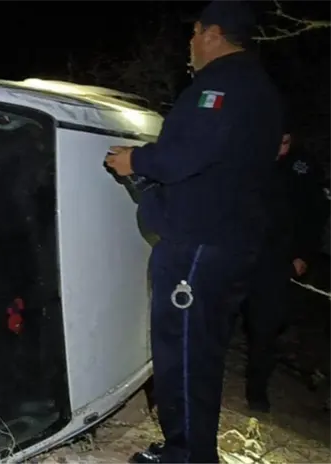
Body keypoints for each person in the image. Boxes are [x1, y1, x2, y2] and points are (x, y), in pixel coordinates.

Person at [103, 0, 283, 462]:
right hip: (228, 240)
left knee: (182, 351)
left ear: (212, 34)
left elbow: (189, 154)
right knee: (200, 353)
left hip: (200, 245)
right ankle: (191, 447)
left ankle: (185, 455)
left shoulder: (222, 85)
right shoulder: (259, 88)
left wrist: (135, 160)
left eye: (195, 32)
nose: (190, 43)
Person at [242, 127, 330, 413]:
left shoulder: (303, 167)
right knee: (218, 316)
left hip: (278, 259)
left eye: (286, 141)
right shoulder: (250, 156)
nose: (280, 147)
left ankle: (256, 392)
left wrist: (304, 254)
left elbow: (315, 214)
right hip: (240, 252)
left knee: (265, 328)